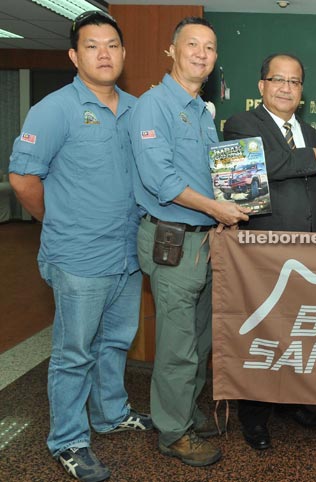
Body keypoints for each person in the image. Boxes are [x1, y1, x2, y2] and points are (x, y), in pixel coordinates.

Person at [8, 11, 152, 482]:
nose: (104, 54)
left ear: (124, 54)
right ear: (74, 55)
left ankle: (110, 414)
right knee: (74, 353)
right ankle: (68, 439)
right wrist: (56, 220)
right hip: (78, 258)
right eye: (92, 46)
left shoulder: (135, 109)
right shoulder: (53, 109)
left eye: (112, 44)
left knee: (114, 342)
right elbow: (24, 178)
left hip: (127, 255)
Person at [130, 17, 249, 467]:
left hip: (204, 239)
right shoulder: (153, 105)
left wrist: (227, 204)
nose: (202, 53)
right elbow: (160, 178)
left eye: (211, 47)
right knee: (179, 345)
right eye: (193, 44)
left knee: (200, 340)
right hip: (172, 240)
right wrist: (215, 209)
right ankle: (173, 432)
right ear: (172, 51)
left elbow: (211, 176)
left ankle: (186, 410)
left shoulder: (202, 111)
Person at [223, 53, 316, 451]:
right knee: (261, 334)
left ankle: (293, 403)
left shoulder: (310, 132)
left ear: (302, 91)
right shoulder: (241, 124)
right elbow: (258, 166)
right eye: (278, 79)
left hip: (309, 253)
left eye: (294, 82)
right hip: (261, 252)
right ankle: (254, 416)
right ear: (261, 86)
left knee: (299, 333)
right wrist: (315, 160)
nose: (286, 88)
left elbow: (312, 186)